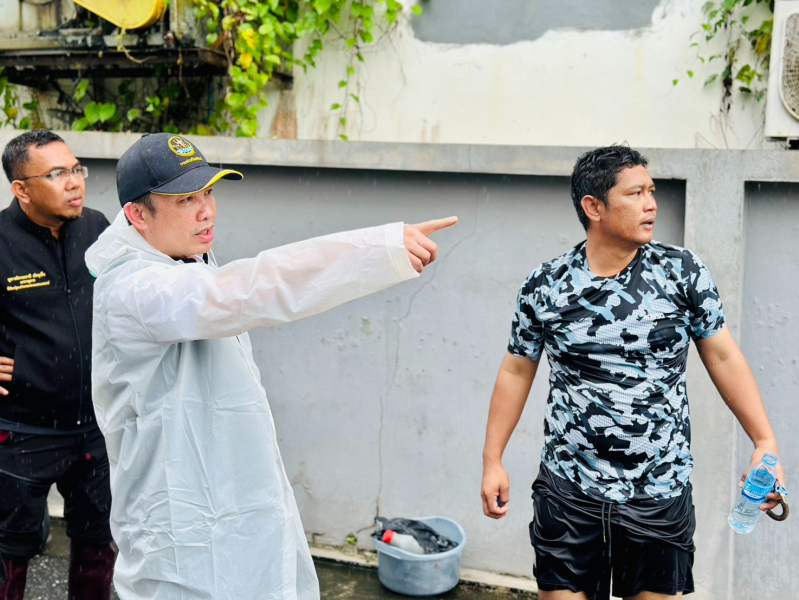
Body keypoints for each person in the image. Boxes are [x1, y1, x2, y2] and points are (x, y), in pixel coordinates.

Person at [86, 132, 457, 599]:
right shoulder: (135, 289)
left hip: (228, 508)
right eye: (185, 200)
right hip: (179, 533)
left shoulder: (182, 258)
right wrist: (376, 250)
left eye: (208, 192)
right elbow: (245, 290)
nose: (206, 210)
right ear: (138, 215)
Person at [480, 146, 786, 600]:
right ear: (594, 207)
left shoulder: (682, 272)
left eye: (652, 191)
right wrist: (492, 460)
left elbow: (723, 356)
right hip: (569, 490)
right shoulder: (546, 285)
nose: (651, 204)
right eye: (636, 193)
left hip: (659, 491)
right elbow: (516, 369)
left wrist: (765, 442)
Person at [0, 130, 114, 599]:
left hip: (96, 427)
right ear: (21, 189)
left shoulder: (98, 228)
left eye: (76, 169)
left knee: (98, 543)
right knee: (9, 550)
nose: (74, 182)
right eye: (56, 174)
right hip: (22, 432)